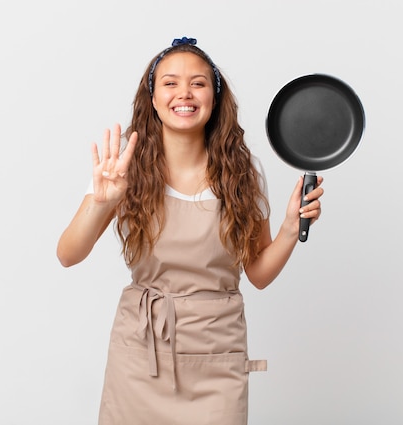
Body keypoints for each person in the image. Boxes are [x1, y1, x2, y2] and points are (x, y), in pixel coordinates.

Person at [57, 37, 324, 425]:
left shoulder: (242, 175)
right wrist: (102, 201)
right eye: (170, 83)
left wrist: (287, 228)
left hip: (218, 354)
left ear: (215, 97)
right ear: (152, 97)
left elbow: (258, 275)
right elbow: (68, 254)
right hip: (140, 355)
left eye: (198, 83)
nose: (184, 93)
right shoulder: (122, 170)